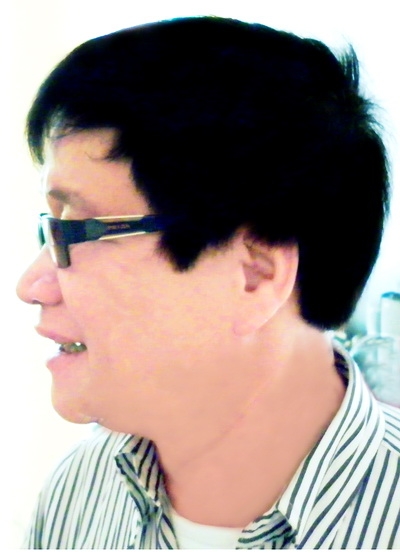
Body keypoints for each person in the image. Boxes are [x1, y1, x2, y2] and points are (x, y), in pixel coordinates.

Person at [17, 16, 400, 550]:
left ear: (255, 275)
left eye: (75, 231)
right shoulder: (76, 496)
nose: (32, 286)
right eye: (49, 228)